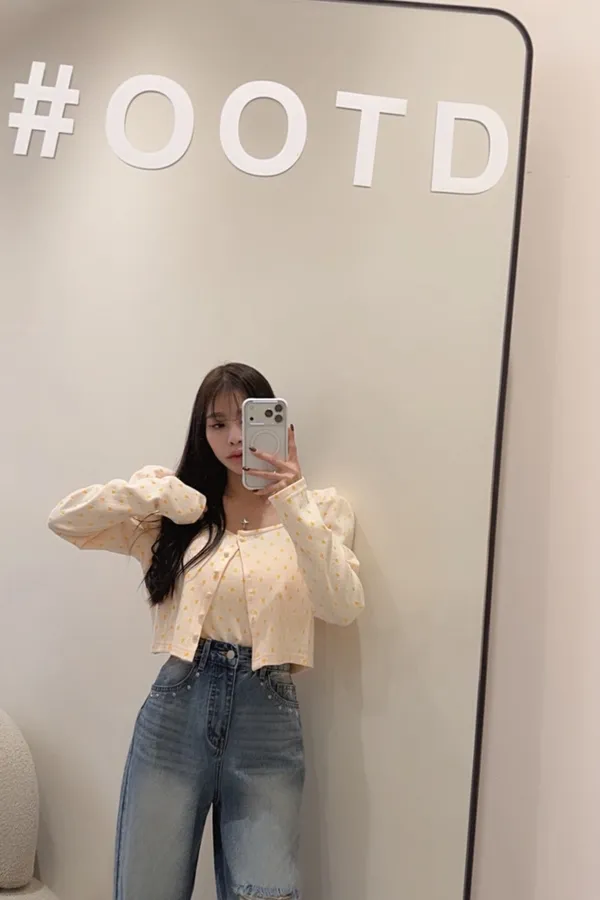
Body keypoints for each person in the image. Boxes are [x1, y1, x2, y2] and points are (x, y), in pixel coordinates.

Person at [47, 362, 365, 900]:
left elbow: (343, 605)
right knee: (147, 886)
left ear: (278, 425)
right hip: (177, 707)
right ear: (202, 432)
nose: (236, 437)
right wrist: (152, 494)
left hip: (267, 718)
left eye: (248, 419)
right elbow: (65, 520)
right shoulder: (179, 513)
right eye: (218, 424)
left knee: (265, 891)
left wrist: (292, 499)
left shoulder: (319, 511)